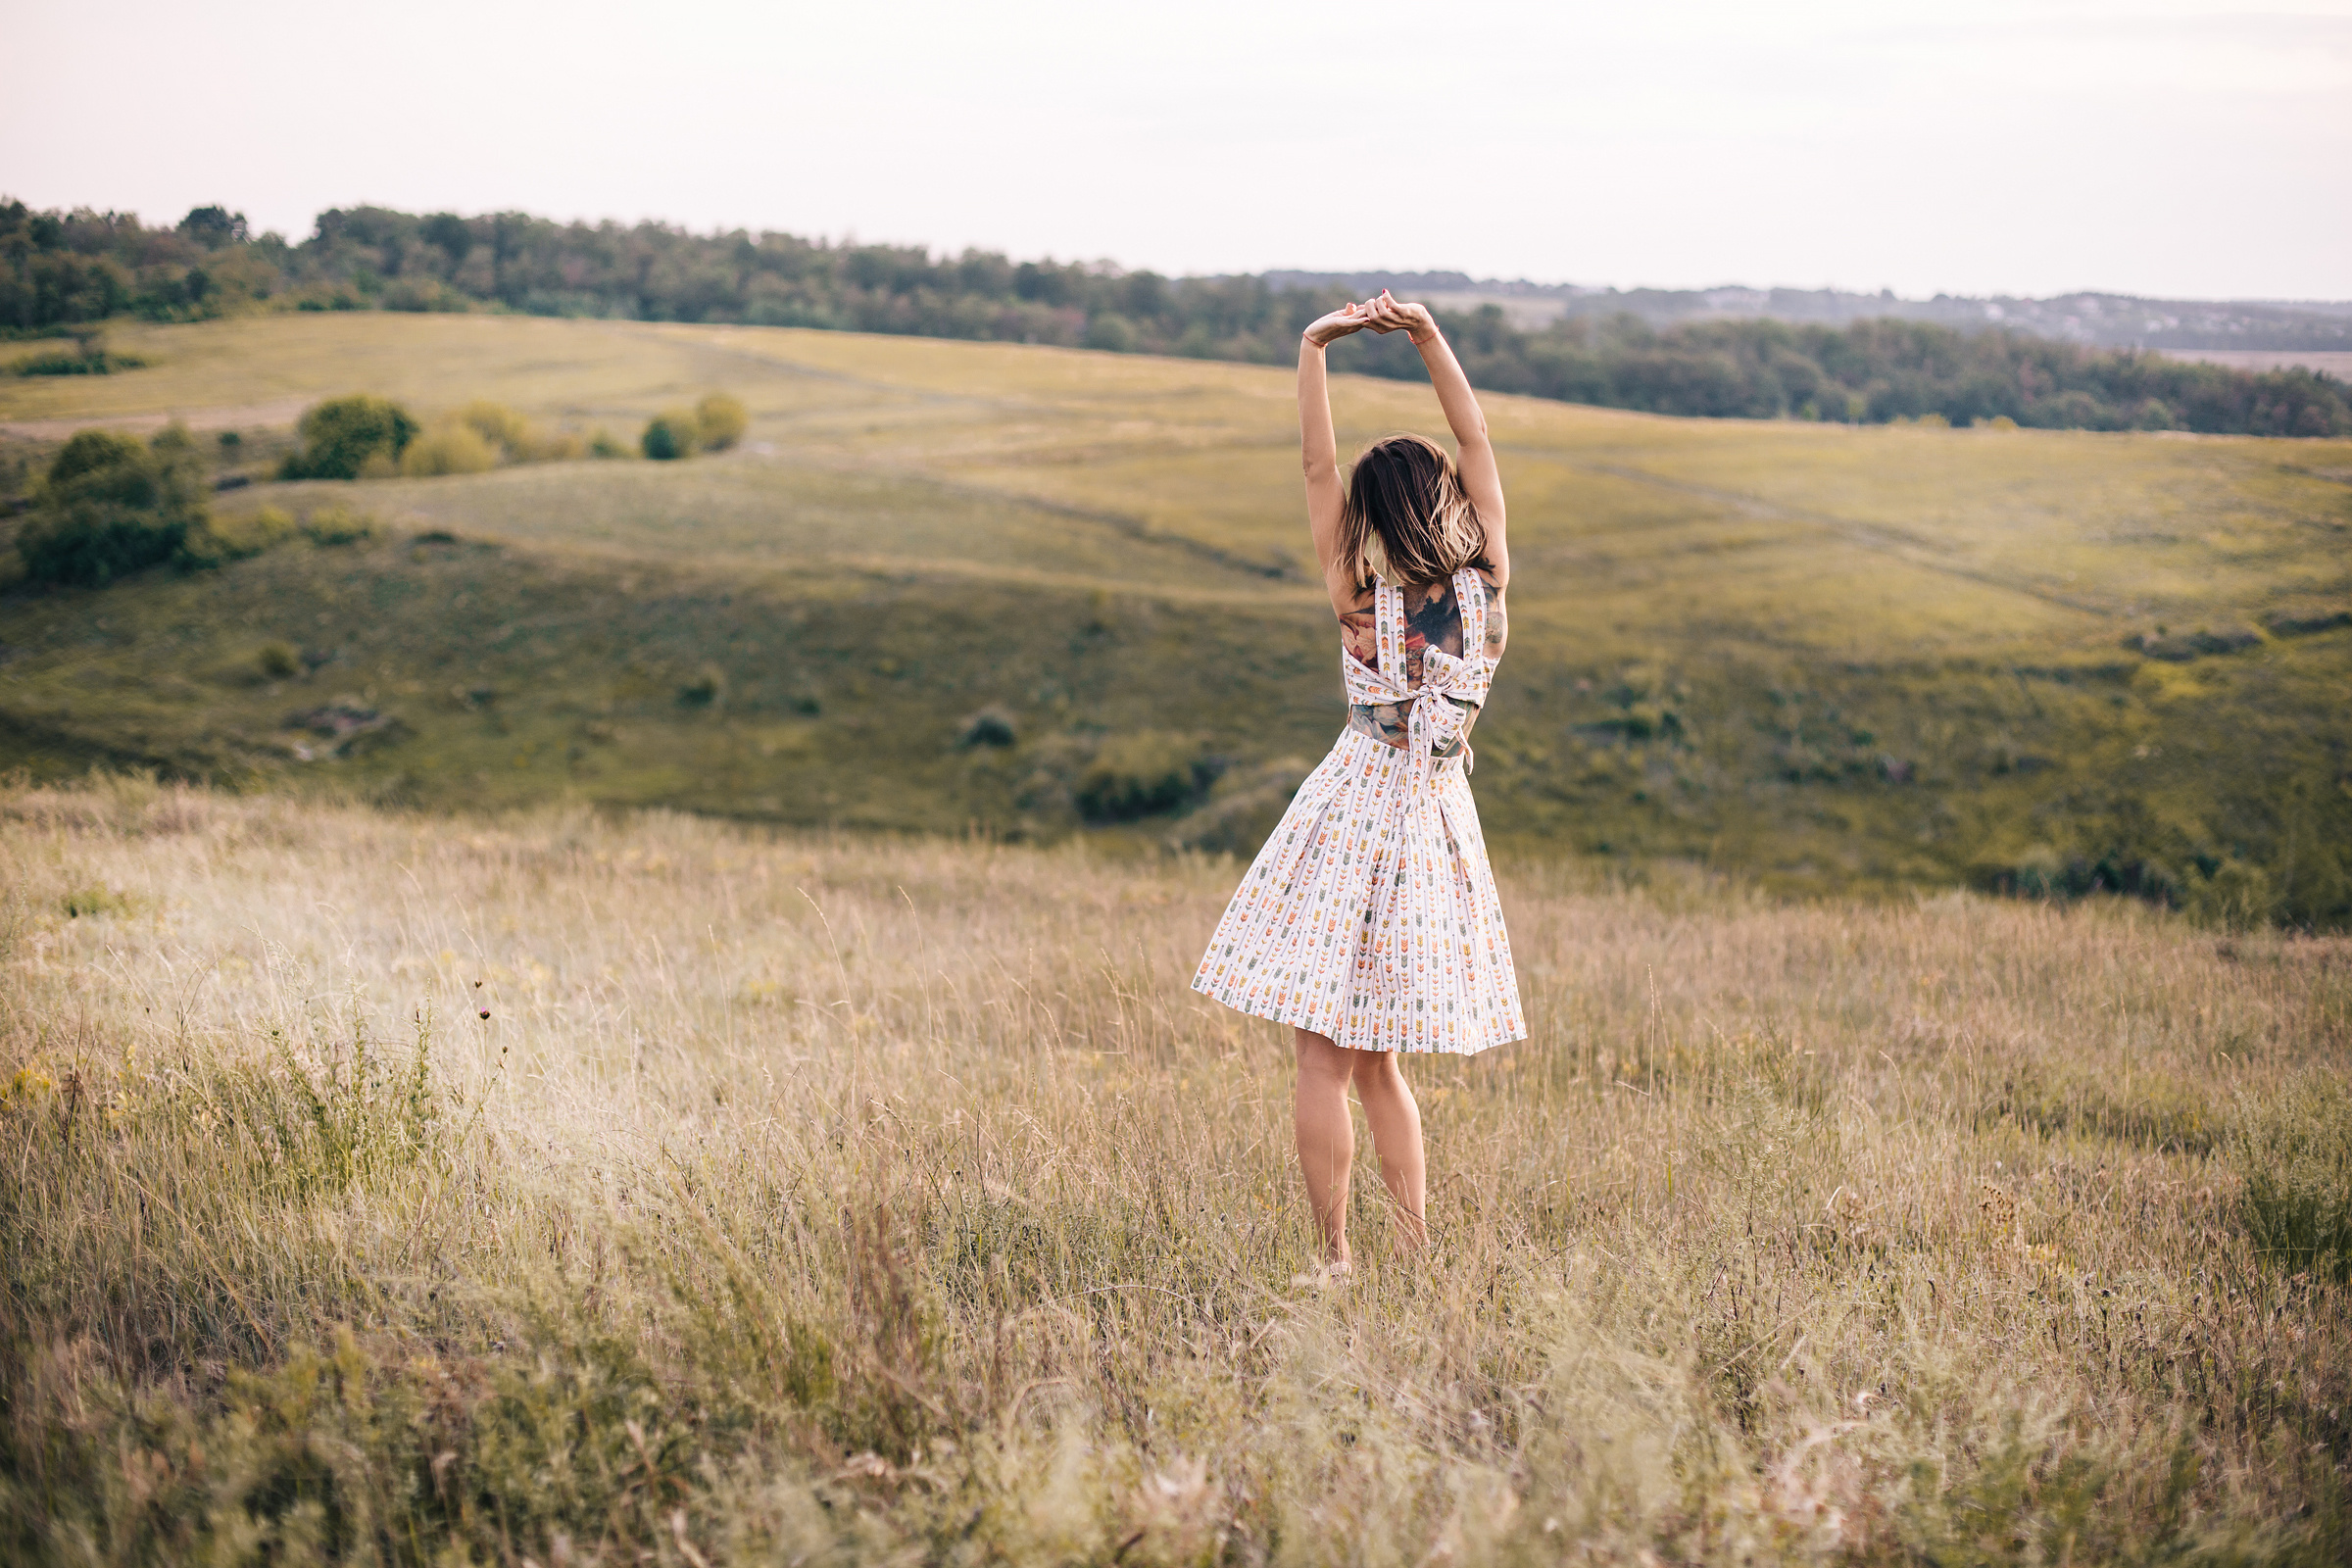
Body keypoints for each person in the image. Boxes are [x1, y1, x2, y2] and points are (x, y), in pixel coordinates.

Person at [1192, 291, 1524, 1269]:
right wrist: (1425, 334)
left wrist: (1315, 347)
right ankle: (1415, 1251)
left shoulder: (1356, 594)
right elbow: (1479, 431)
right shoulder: (1491, 582)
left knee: (1322, 1056)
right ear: (1451, 497)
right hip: (1435, 821)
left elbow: (1313, 464)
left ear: (1373, 517)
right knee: (1379, 1061)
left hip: (1353, 810)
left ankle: (1337, 1256)